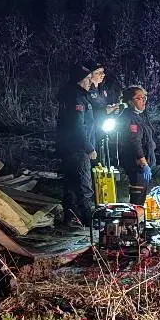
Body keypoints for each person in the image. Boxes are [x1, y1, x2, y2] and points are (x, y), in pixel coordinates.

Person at [57, 64, 104, 227]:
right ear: (79, 80)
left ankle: (70, 218)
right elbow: (78, 127)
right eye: (88, 78)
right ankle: (88, 219)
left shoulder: (73, 96)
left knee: (70, 184)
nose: (90, 81)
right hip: (78, 149)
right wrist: (89, 147)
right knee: (85, 185)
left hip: (68, 148)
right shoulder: (78, 99)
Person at [117, 85, 156, 206]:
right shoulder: (130, 118)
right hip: (136, 164)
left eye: (144, 98)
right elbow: (134, 141)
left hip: (141, 163)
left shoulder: (137, 116)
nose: (143, 101)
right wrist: (143, 163)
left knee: (140, 195)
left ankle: (137, 216)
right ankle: (134, 217)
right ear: (130, 101)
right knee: (137, 197)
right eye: (139, 98)